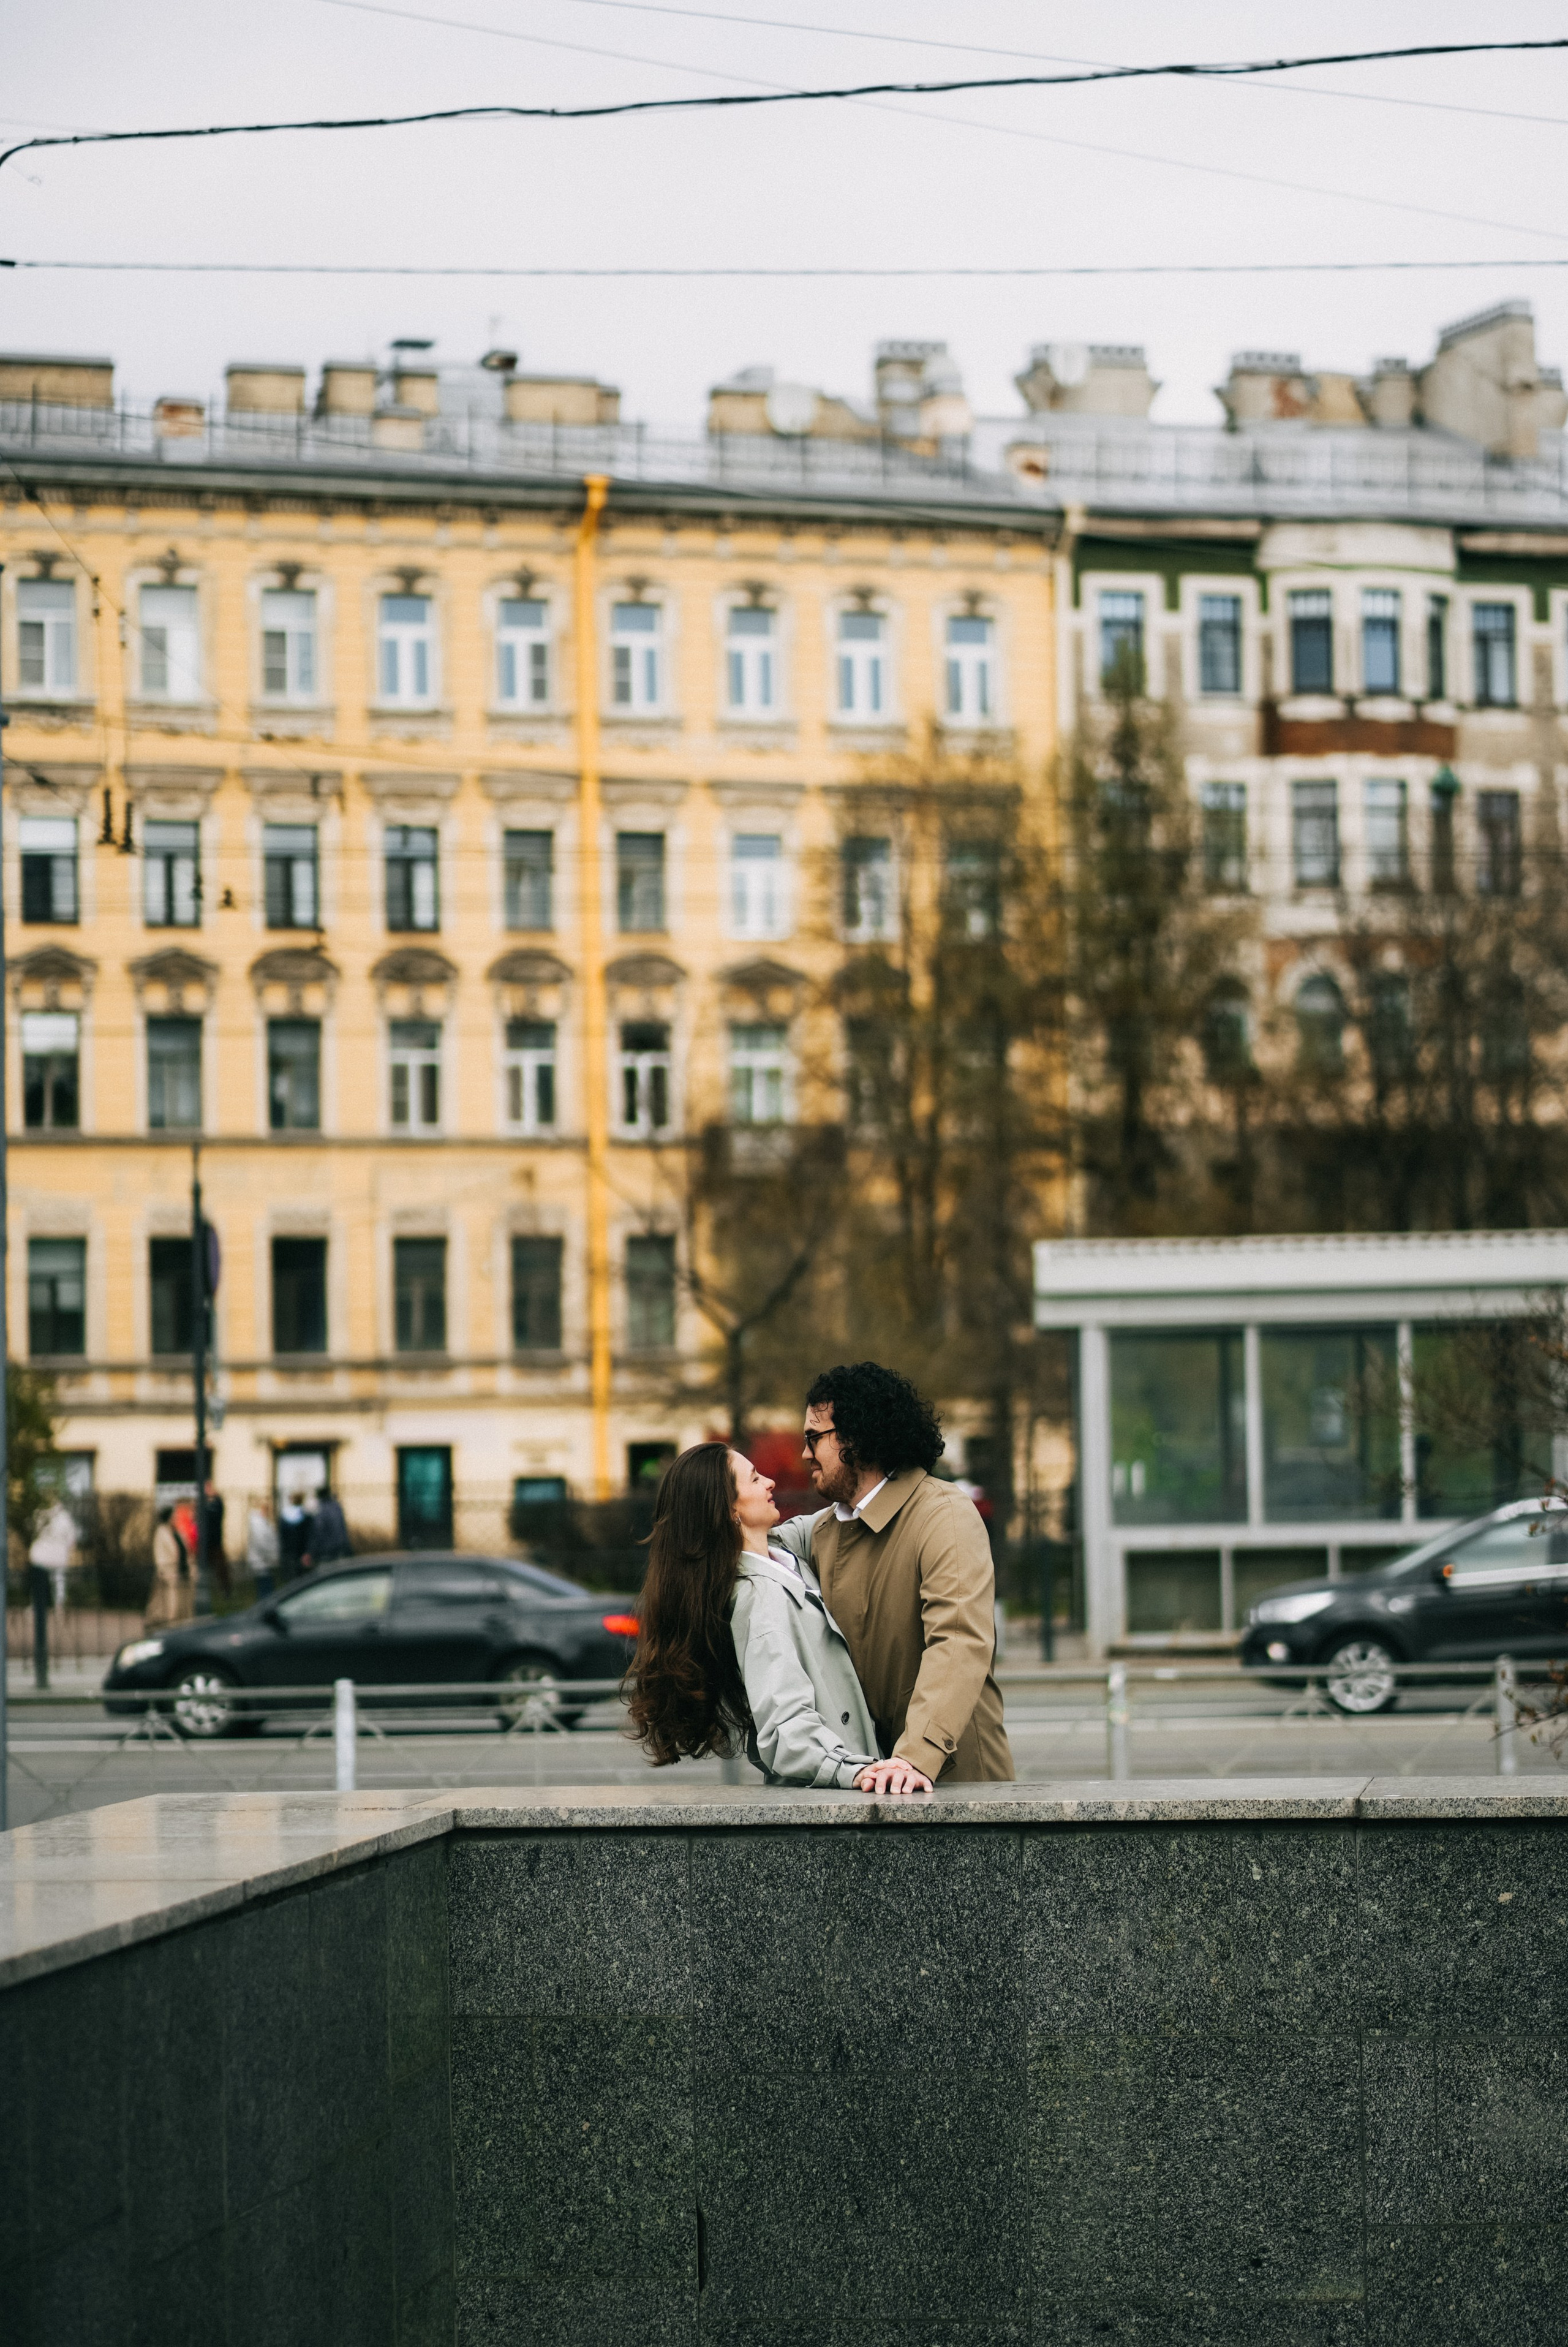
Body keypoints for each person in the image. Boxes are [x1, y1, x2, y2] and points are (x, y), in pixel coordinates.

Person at [626, 1442, 929, 1794]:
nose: (770, 1481)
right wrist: (857, 1772)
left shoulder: (782, 1557)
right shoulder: (760, 1599)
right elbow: (785, 1730)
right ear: (728, 1510)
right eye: (755, 1480)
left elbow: (845, 1511)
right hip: (830, 1804)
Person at [771, 1362, 1014, 1789]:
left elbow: (959, 1641)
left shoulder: (945, 1514)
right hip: (880, 1784)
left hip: (959, 1790)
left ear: (858, 1437)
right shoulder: (827, 1531)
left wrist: (916, 1756)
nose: (805, 1453)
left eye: (814, 1437)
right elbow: (757, 1544)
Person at [145, 1504, 193, 1630]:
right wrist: (164, 1571)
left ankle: (182, 1627)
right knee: (170, 1606)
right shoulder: (161, 1532)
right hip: (170, 1574)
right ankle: (169, 1628)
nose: (176, 1519)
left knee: (183, 1605)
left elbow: (185, 1550)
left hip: (183, 1573)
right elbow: (160, 1554)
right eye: (174, 1516)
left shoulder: (178, 1533)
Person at [246, 1497, 279, 1600]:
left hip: (263, 1562)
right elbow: (262, 1543)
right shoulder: (258, 1524)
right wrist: (271, 1556)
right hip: (262, 1562)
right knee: (266, 1591)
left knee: (265, 1588)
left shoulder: (262, 1522)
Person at [309, 1486, 350, 1567]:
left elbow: (318, 1530)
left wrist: (312, 1550)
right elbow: (342, 1528)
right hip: (339, 1546)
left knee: (326, 1572)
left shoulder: (320, 1509)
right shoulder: (337, 1507)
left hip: (326, 1550)